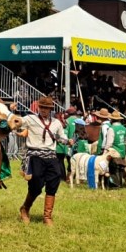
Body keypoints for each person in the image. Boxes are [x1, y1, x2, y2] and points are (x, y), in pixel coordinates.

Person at [16, 96, 72, 226]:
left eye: (47, 108)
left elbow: (60, 137)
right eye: (42, 107)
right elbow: (18, 122)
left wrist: (67, 141)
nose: (44, 110)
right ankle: (25, 208)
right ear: (38, 107)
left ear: (50, 109)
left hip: (51, 156)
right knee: (36, 184)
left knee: (54, 181)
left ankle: (47, 216)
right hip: (35, 155)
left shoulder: (56, 123)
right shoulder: (30, 119)